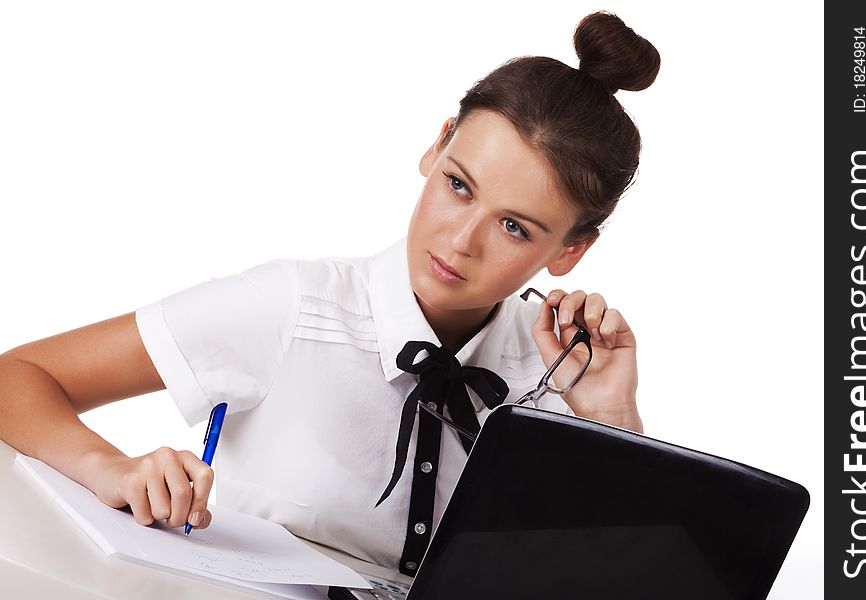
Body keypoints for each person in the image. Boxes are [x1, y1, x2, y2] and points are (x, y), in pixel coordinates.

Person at [0, 10, 659, 574]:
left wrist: (612, 421)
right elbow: (17, 377)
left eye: (514, 227)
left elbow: (630, 575)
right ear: (436, 147)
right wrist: (110, 469)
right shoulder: (292, 307)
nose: (461, 242)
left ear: (571, 250)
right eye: (459, 185)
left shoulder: (563, 373)